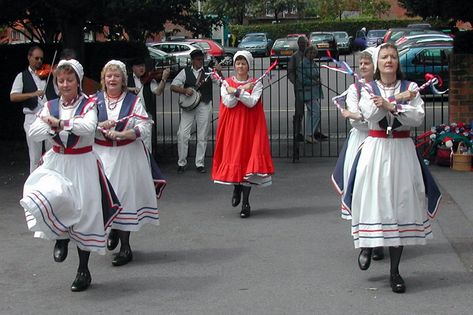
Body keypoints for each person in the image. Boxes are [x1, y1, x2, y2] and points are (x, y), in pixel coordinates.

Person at [342, 43, 441, 293]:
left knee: (400, 205)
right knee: (375, 200)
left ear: (398, 62)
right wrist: (392, 102)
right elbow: (369, 114)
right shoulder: (367, 87)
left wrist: (391, 105)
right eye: (384, 57)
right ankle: (368, 245)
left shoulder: (411, 88)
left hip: (401, 150)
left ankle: (395, 271)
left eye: (393, 57)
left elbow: (417, 117)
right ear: (378, 63)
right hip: (375, 149)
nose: (389, 61)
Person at [19, 59, 121, 292]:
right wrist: (55, 125)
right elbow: (34, 132)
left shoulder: (89, 104)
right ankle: (60, 238)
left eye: (70, 80)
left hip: (82, 162)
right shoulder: (50, 105)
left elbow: (88, 127)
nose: (65, 84)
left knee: (84, 214)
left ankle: (83, 270)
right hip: (58, 161)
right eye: (61, 80)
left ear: (78, 82)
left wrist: (59, 123)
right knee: (55, 199)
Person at [94, 60, 163, 267]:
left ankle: (125, 246)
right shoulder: (94, 101)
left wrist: (125, 133)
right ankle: (113, 228)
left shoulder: (133, 101)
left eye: (116, 76)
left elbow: (145, 126)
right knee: (101, 197)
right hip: (101, 156)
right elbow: (84, 124)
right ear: (103, 80)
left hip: (125, 156)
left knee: (123, 197)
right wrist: (98, 126)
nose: (112, 79)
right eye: (109, 76)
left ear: (123, 80)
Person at [331, 47, 385, 260]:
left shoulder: (383, 89)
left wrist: (360, 114)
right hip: (361, 143)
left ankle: (380, 240)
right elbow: (359, 123)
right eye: (361, 63)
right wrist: (366, 115)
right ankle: (365, 240)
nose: (362, 66)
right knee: (361, 191)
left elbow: (384, 117)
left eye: (367, 63)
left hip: (380, 143)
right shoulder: (355, 89)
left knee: (379, 191)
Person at [212, 50, 275, 218]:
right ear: (234, 65)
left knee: (248, 163)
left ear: (248, 66)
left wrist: (238, 90)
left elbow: (251, 102)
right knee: (236, 159)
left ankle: (246, 203)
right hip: (233, 127)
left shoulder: (257, 83)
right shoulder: (226, 83)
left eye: (243, 63)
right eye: (238, 63)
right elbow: (229, 103)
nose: (240, 66)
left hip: (250, 127)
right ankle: (236, 187)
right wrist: (241, 89)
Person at [171, 49, 221, 174]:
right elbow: (173, 86)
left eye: (202, 59)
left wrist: (219, 71)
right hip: (189, 106)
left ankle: (200, 163)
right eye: (198, 59)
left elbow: (221, 82)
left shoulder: (209, 72)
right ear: (192, 60)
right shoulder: (185, 72)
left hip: (204, 104)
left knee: (202, 134)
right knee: (182, 134)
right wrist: (184, 91)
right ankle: (181, 162)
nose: (200, 62)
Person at [10, 46, 58, 173]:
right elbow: (13, 96)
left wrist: (57, 76)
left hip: (49, 118)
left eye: (41, 58)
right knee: (35, 156)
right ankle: (34, 186)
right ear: (29, 57)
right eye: (36, 58)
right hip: (32, 117)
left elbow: (58, 93)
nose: (39, 61)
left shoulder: (48, 75)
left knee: (51, 153)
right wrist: (33, 94)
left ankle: (49, 182)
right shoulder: (22, 76)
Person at [127, 57, 170, 153]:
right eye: (138, 66)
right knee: (131, 144)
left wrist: (163, 79)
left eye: (143, 66)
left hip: (145, 116)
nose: (141, 68)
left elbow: (158, 91)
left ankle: (148, 165)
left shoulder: (149, 80)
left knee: (147, 145)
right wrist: (131, 89)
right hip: (130, 116)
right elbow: (120, 88)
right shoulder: (127, 78)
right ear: (133, 68)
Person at [295, 46, 327, 143]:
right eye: (311, 53)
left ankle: (311, 133)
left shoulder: (312, 63)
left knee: (311, 112)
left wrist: (317, 81)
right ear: (306, 53)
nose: (313, 55)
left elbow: (316, 75)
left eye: (314, 53)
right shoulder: (303, 64)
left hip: (314, 91)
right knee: (316, 112)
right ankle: (309, 134)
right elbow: (302, 79)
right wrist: (314, 82)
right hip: (308, 91)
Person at [288, 36, 307, 143]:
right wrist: (296, 82)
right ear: (299, 44)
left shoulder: (309, 55)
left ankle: (314, 131)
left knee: (314, 110)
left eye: (305, 43)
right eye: (301, 43)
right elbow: (290, 72)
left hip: (310, 87)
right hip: (299, 87)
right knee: (299, 111)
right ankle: (297, 132)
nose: (303, 45)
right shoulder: (294, 57)